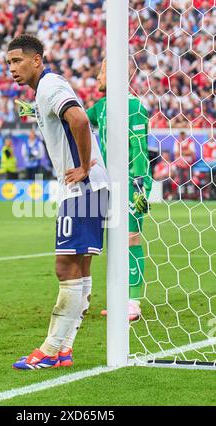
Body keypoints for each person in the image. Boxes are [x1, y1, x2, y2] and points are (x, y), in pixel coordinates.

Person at [6, 34, 109, 370]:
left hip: (81, 188)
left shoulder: (50, 84)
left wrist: (81, 167)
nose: (12, 69)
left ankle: (50, 350)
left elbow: (78, 119)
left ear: (38, 60)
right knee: (79, 267)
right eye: (9, 63)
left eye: (18, 61)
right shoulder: (45, 90)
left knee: (65, 266)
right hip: (90, 188)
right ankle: (64, 350)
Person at [87, 59, 152, 321]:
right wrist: (40, 111)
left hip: (129, 184)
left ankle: (133, 302)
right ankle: (119, 297)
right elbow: (75, 117)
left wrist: (140, 185)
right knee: (114, 243)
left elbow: (140, 148)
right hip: (106, 185)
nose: (97, 76)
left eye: (102, 70)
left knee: (130, 238)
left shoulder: (134, 107)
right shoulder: (101, 107)